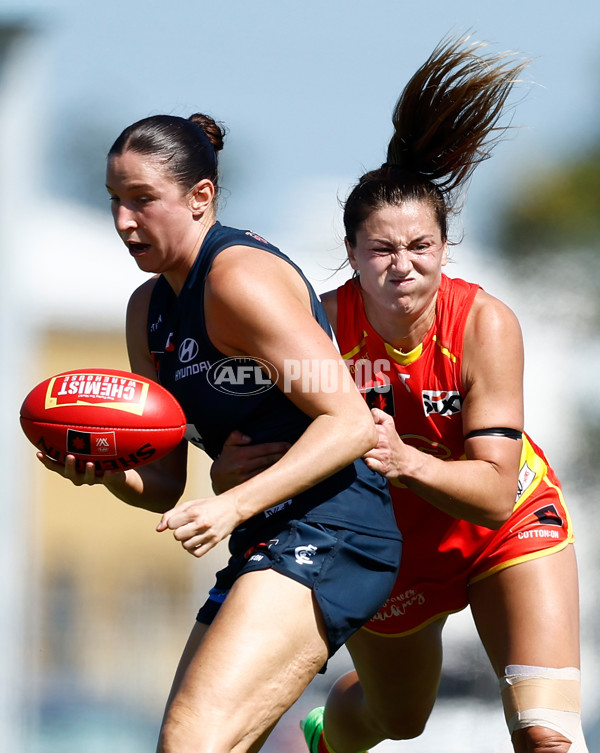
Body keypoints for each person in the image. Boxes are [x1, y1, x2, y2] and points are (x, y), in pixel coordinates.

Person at [212, 37, 589, 753]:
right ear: (351, 252)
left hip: (505, 524)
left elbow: (489, 490)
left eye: (420, 246)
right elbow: (261, 452)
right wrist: (231, 472)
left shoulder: (484, 323)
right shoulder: (320, 331)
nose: (402, 265)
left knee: (547, 734)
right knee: (399, 720)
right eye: (382, 249)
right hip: (387, 545)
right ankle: (328, 739)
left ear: (446, 247)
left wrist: (400, 456)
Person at [36, 112, 403, 753]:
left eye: (143, 200)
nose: (125, 222)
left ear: (200, 196)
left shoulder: (238, 280)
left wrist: (233, 500)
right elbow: (160, 483)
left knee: (192, 744)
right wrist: (101, 468)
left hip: (334, 529)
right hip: (265, 537)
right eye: (115, 201)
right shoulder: (147, 310)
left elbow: (349, 423)